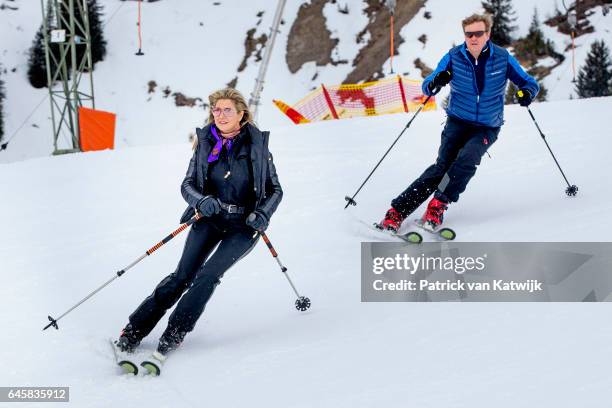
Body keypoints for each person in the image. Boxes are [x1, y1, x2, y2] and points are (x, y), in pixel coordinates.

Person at [115, 88, 283, 361]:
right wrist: (200, 200)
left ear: (241, 114)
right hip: (209, 219)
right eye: (216, 109)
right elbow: (187, 184)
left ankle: (176, 332)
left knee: (207, 276)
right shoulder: (205, 142)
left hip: (243, 228)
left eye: (227, 109)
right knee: (182, 276)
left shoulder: (257, 146)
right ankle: (134, 329)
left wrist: (262, 215)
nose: (221, 114)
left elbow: (275, 190)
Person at [379, 13, 539, 232]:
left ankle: (437, 205)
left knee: (467, 159)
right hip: (457, 122)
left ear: (488, 34)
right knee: (440, 169)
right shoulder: (454, 57)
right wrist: (437, 81)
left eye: (478, 33)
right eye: (469, 34)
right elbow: (428, 85)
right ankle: (395, 213)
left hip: (487, 126)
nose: (473, 38)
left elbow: (529, 83)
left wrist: (527, 93)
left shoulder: (502, 58)